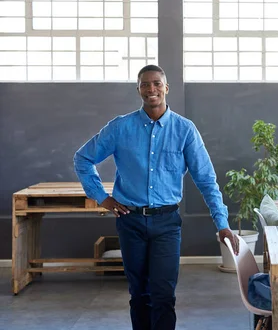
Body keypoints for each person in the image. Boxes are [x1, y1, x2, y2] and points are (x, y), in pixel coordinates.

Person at [74, 64, 239, 330]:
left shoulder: (185, 130)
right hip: (131, 222)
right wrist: (101, 197)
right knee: (139, 295)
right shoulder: (120, 128)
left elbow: (206, 180)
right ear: (138, 89)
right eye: (145, 84)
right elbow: (82, 158)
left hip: (166, 224)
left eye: (157, 83)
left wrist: (222, 224)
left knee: (163, 296)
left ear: (166, 88)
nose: (151, 89)